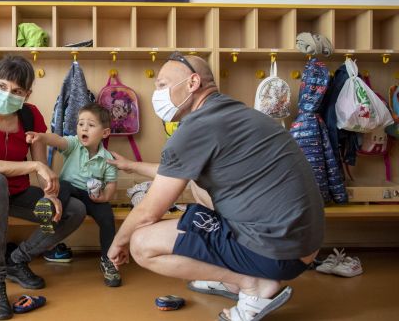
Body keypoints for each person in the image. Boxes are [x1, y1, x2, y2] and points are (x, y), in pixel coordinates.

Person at [107, 52, 325, 321]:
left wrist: (118, 242)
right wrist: (132, 166)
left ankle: (252, 284)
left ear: (193, 83)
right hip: (304, 244)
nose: (157, 94)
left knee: (142, 243)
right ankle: (231, 277)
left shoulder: (194, 130)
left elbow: (149, 212)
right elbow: (176, 173)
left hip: (279, 253)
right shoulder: (235, 113)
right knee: (200, 185)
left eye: (162, 85)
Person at [0, 55, 86, 320]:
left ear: (27, 94)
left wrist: (50, 195)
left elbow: (41, 170)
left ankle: (17, 260)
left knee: (74, 209)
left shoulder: (30, 115)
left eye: (16, 91)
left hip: (16, 195)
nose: (7, 94)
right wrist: (35, 168)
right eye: (2, 86)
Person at [26, 102, 121, 287]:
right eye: (80, 124)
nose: (84, 128)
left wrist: (104, 197)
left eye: (91, 125)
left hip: (90, 196)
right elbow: (57, 140)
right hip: (67, 191)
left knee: (107, 218)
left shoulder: (108, 158)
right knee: (63, 185)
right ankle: (49, 212)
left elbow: (111, 184)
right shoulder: (74, 144)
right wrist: (41, 137)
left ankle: (108, 260)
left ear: (105, 133)